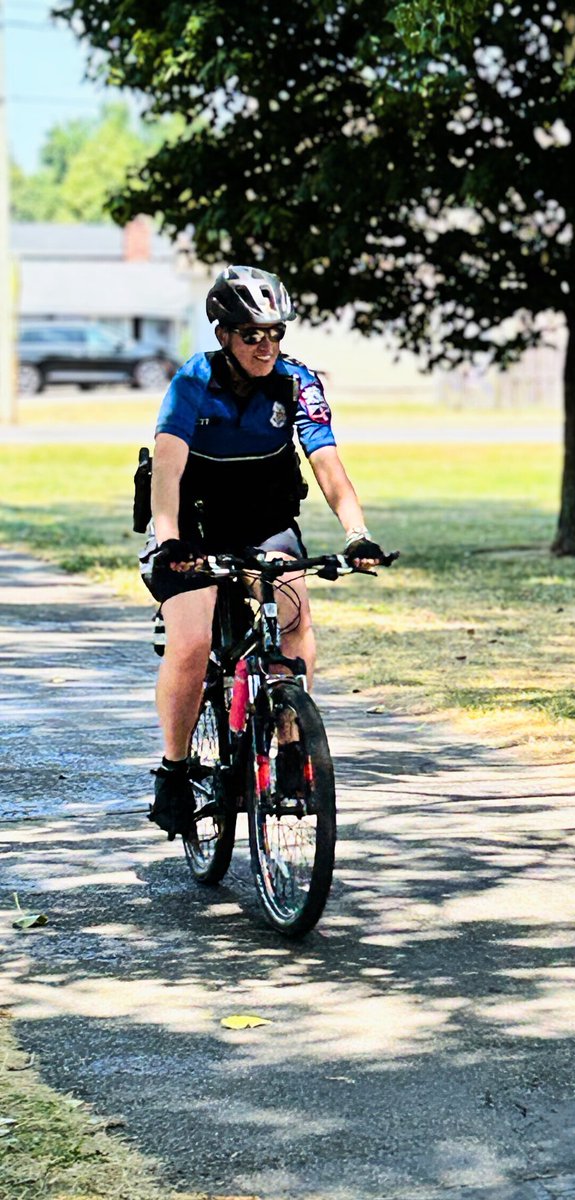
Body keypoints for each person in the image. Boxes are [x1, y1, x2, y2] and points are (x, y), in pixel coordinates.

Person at [140, 265, 388, 840]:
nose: (267, 346)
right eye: (253, 334)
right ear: (224, 334)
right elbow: (169, 469)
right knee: (194, 642)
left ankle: (291, 752)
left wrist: (356, 533)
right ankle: (175, 771)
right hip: (191, 523)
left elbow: (327, 463)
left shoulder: (297, 381)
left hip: (261, 522)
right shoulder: (192, 382)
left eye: (275, 333)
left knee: (295, 618)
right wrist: (171, 537)